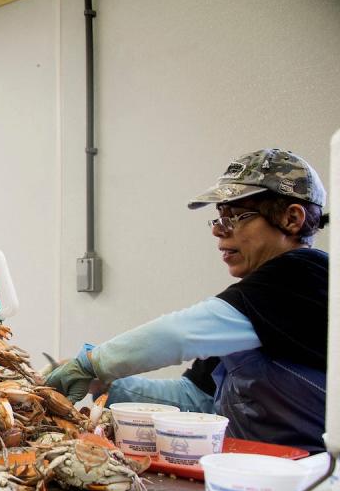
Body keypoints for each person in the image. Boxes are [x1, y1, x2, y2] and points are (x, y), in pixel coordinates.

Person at [46, 149, 328, 452]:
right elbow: (196, 398)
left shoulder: (306, 275)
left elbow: (177, 334)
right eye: (219, 218)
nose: (220, 232)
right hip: (257, 473)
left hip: (314, 481)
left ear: (292, 218)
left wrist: (92, 364)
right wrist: (105, 385)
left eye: (236, 217)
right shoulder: (252, 308)